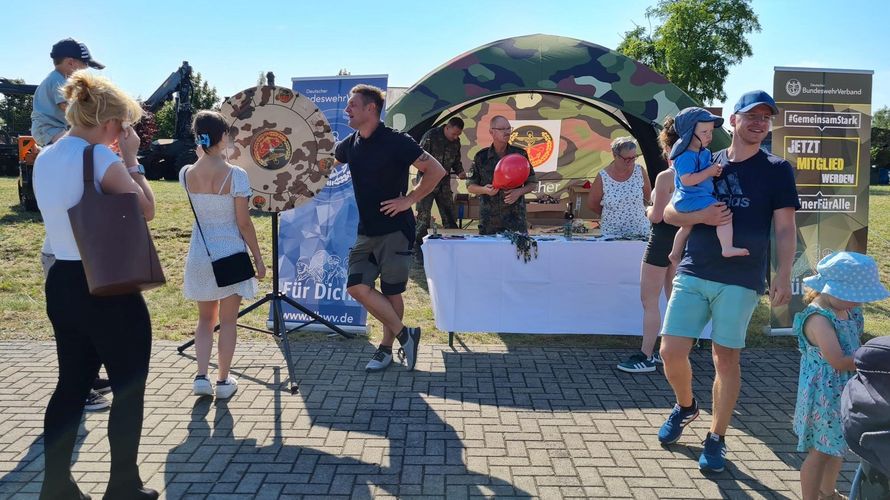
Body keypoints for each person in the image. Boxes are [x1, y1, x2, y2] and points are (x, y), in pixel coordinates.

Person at [656, 90, 799, 473]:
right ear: (733, 120)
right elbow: (670, 212)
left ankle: (716, 437)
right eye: (752, 115)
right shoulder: (705, 158)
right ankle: (686, 406)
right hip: (694, 268)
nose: (759, 123)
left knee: (726, 358)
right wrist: (700, 217)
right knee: (670, 350)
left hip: (741, 277)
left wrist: (783, 274)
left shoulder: (777, 169)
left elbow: (785, 228)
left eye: (766, 118)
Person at [33, 70, 158, 499]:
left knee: (70, 384)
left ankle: (55, 485)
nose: (126, 132)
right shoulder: (101, 159)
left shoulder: (46, 156)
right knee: (129, 386)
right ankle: (123, 485)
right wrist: (131, 159)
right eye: (124, 125)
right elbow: (146, 209)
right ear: (110, 124)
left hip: (63, 280)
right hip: (108, 286)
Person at [335, 84, 447, 372]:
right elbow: (323, 165)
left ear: (371, 109)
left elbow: (436, 171)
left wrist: (408, 199)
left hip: (396, 230)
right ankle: (405, 334)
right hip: (366, 231)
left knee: (391, 292)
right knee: (357, 286)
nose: (347, 110)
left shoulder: (397, 141)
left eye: (353, 105)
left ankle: (385, 349)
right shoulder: (350, 144)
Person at [32, 38, 112, 412]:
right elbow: (78, 117)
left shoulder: (48, 161)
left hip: (62, 260)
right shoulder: (59, 88)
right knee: (83, 329)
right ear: (67, 62)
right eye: (81, 66)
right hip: (78, 263)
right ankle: (83, 385)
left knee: (75, 331)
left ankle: (85, 380)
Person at [181, 110, 266, 399]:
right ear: (223, 137)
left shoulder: (186, 173)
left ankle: (201, 377)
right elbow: (244, 222)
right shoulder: (236, 175)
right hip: (230, 254)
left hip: (200, 254)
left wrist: (203, 155)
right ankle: (223, 381)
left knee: (205, 320)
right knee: (228, 321)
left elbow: (201, 167)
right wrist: (258, 257)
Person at [794, 252, 889, 500]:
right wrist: (873, 361)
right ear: (828, 289)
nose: (857, 303)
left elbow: (855, 343)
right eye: (853, 297)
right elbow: (837, 360)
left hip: (845, 388)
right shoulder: (818, 318)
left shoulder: (849, 310)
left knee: (837, 446)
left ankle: (828, 492)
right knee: (820, 452)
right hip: (824, 394)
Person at [617, 118, 679, 373]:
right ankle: (674, 351)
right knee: (674, 299)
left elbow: (657, 216)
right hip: (681, 239)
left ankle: (647, 354)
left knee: (650, 300)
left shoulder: (667, 176)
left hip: (661, 239)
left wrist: (649, 209)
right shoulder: (696, 174)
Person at [667, 107, 748, 265]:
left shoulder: (703, 153)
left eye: (711, 131)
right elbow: (687, 180)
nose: (710, 136)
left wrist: (713, 171)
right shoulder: (685, 157)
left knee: (687, 227)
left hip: (695, 196)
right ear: (689, 133)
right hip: (690, 197)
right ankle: (727, 247)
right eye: (704, 132)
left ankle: (675, 253)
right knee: (722, 213)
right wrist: (709, 172)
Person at [466, 115, 536, 235]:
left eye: (509, 128)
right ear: (491, 132)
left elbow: (532, 183)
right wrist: (484, 190)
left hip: (515, 219)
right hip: (489, 221)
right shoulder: (481, 157)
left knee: (517, 253)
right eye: (502, 129)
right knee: (489, 253)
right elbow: (470, 186)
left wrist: (518, 192)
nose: (507, 132)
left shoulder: (520, 154)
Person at [414, 116, 466, 258]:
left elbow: (456, 160)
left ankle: (454, 247)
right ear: (447, 127)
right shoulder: (431, 136)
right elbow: (418, 157)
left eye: (458, 135)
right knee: (423, 217)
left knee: (449, 214)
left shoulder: (456, 142)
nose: (455, 137)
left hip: (444, 183)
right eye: (453, 134)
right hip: (426, 182)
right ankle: (419, 249)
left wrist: (460, 171)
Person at [586, 137, 651, 239]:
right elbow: (592, 203)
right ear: (615, 155)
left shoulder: (640, 171)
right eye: (626, 159)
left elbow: (647, 198)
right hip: (611, 233)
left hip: (639, 231)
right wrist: (611, 214)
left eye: (633, 157)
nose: (631, 162)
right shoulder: (603, 176)